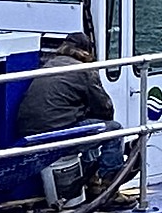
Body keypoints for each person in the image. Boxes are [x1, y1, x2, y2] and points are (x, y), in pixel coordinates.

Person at [15, 32, 128, 198]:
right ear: (87, 51)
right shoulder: (84, 70)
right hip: (57, 135)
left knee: (90, 126)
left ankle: (92, 182)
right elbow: (105, 109)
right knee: (114, 131)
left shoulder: (49, 64)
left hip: (29, 133)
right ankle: (110, 189)